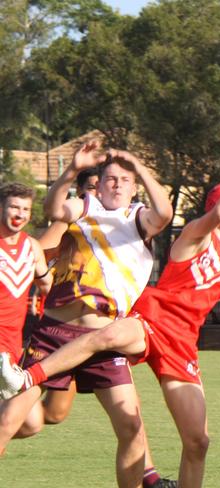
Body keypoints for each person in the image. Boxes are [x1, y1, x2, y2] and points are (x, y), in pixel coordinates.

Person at [0, 135, 220, 488]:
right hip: (153, 317)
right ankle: (27, 377)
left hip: (183, 338)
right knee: (107, 335)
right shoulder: (196, 234)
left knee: (197, 441)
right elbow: (219, 213)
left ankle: (152, 475)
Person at [0, 141, 173, 488]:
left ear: (134, 185)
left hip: (102, 342)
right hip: (53, 333)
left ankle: (146, 478)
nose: (117, 184)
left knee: (131, 428)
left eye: (125, 179)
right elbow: (54, 208)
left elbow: (166, 214)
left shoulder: (138, 217)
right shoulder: (85, 206)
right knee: (9, 422)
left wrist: (139, 166)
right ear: (99, 183)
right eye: (110, 178)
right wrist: (71, 171)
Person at [33, 167, 99, 425]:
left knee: (55, 413)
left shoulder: (113, 224)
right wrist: (45, 281)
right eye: (92, 187)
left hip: (92, 329)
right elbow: (36, 252)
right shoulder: (72, 220)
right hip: (59, 325)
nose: (98, 192)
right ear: (81, 192)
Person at [0, 182, 52, 430]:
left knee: (31, 423)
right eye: (13, 207)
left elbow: (48, 287)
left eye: (25, 209)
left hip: (15, 350)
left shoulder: (32, 247)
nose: (19, 214)